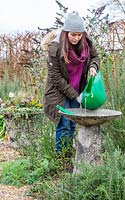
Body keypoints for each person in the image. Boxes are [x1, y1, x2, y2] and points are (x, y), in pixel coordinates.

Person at [42, 11, 100, 165]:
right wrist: (75, 95)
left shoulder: (86, 42)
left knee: (73, 124)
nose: (76, 38)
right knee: (64, 124)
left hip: (77, 89)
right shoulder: (55, 47)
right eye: (73, 35)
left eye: (79, 35)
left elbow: (95, 57)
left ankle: (69, 158)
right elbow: (55, 78)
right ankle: (62, 162)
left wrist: (93, 66)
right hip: (58, 92)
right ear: (66, 32)